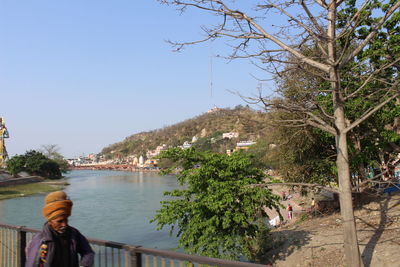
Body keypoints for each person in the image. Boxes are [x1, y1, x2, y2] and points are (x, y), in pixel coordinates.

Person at [25, 191, 95, 267]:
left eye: (66, 220)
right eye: (60, 221)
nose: (64, 224)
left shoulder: (73, 233)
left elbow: (88, 251)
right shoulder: (41, 239)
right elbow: (32, 263)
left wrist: (84, 264)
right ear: (50, 221)